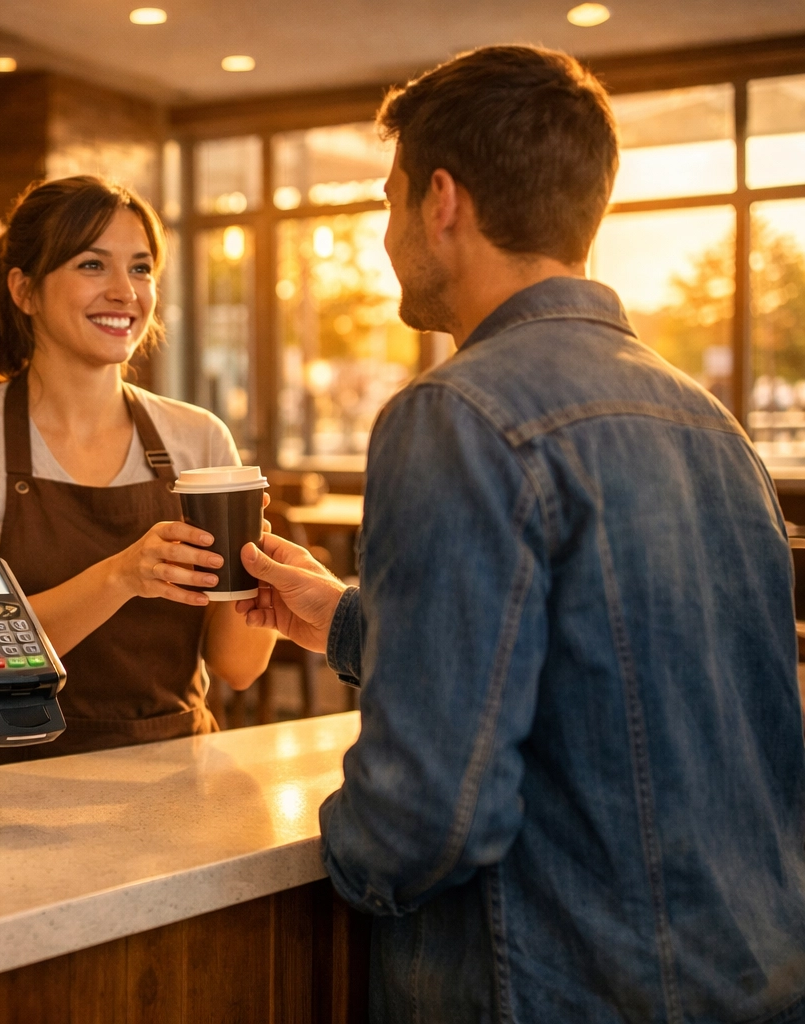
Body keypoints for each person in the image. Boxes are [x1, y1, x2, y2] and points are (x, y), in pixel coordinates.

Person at [238, 45, 805, 1022]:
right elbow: (618, 673)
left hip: (555, 986)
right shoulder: (710, 423)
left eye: (389, 200)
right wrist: (339, 616)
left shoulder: (454, 413)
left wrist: (320, 860)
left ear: (442, 202)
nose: (384, 237)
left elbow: (429, 811)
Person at [0, 175, 277, 769]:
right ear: (25, 290)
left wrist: (264, 577)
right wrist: (122, 575)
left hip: (177, 773)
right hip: (11, 780)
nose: (125, 291)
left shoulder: (199, 438)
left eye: (141, 268)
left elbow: (238, 667)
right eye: (92, 265)